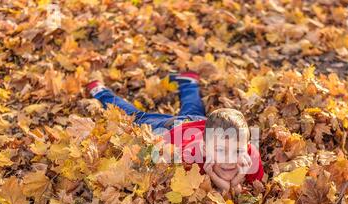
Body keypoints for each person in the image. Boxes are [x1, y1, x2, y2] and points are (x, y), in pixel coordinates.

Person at [86, 72, 264, 193]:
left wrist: (232, 181)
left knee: (194, 108)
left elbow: (246, 193)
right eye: (220, 151)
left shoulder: (251, 157)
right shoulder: (188, 158)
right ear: (205, 147)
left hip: (200, 124)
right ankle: (101, 92)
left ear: (247, 146)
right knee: (137, 117)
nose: (229, 159)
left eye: (237, 151)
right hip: (172, 129)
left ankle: (188, 82)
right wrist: (225, 182)